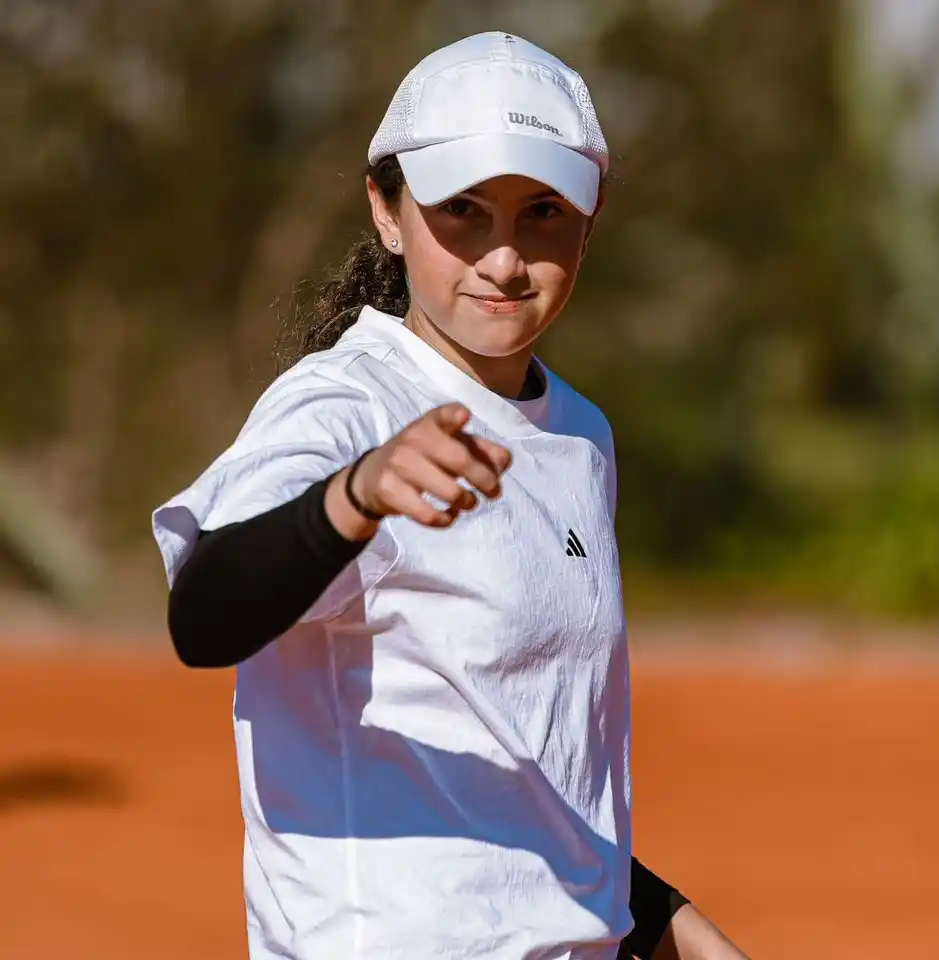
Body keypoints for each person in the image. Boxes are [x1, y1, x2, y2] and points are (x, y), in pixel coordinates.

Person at [151, 30, 751, 960]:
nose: (505, 260)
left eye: (543, 212)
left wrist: (665, 923)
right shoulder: (345, 404)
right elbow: (205, 614)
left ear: (588, 222)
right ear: (387, 213)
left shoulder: (579, 434)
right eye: (463, 209)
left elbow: (525, 773)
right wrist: (354, 496)